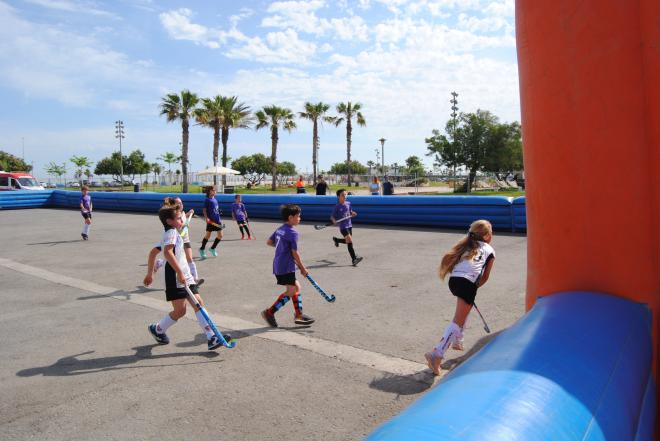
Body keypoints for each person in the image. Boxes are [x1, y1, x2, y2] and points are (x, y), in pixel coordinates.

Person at [143, 204, 231, 350]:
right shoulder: (170, 233)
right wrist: (179, 273)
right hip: (175, 277)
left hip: (185, 275)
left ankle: (212, 337)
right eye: (178, 218)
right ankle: (158, 329)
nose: (181, 220)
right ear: (169, 221)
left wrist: (150, 273)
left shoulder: (171, 233)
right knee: (180, 311)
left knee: (198, 303)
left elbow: (153, 253)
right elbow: (167, 253)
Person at [424, 220, 496, 375]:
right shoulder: (490, 250)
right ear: (487, 236)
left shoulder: (467, 245)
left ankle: (458, 341)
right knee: (457, 321)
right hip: (467, 283)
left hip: (455, 280)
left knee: (462, 313)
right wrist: (472, 289)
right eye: (491, 232)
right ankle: (436, 354)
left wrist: (469, 290)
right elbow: (484, 277)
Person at [261, 204, 315, 328]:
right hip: (285, 266)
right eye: (298, 216)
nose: (300, 218)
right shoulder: (292, 232)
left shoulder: (280, 229)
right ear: (290, 217)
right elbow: (294, 252)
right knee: (291, 291)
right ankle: (269, 312)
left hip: (279, 264)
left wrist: (283, 249)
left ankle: (299, 315)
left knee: (296, 287)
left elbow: (269, 242)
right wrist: (302, 268)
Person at [153, 197, 204, 285]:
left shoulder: (183, 214)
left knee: (190, 258)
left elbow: (185, 216)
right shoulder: (174, 218)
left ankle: (195, 279)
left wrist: (190, 213)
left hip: (186, 240)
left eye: (181, 203)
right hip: (178, 241)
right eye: (178, 203)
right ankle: (160, 263)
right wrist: (185, 225)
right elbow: (179, 228)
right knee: (177, 259)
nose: (180, 205)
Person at [331, 189, 363, 266]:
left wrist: (353, 213)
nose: (345, 196)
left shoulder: (348, 203)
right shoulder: (337, 206)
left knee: (348, 241)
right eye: (343, 195)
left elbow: (350, 212)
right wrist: (334, 220)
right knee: (350, 241)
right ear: (338, 196)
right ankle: (354, 259)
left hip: (349, 225)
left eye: (345, 194)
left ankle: (337, 240)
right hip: (343, 227)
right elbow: (332, 216)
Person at [199, 186, 223, 259]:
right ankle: (202, 249)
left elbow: (215, 209)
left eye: (215, 190)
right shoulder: (207, 200)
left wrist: (219, 212)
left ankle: (212, 248)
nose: (215, 191)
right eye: (213, 190)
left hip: (218, 220)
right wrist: (206, 218)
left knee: (220, 235)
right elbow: (204, 210)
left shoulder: (215, 199)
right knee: (208, 236)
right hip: (211, 221)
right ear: (209, 191)